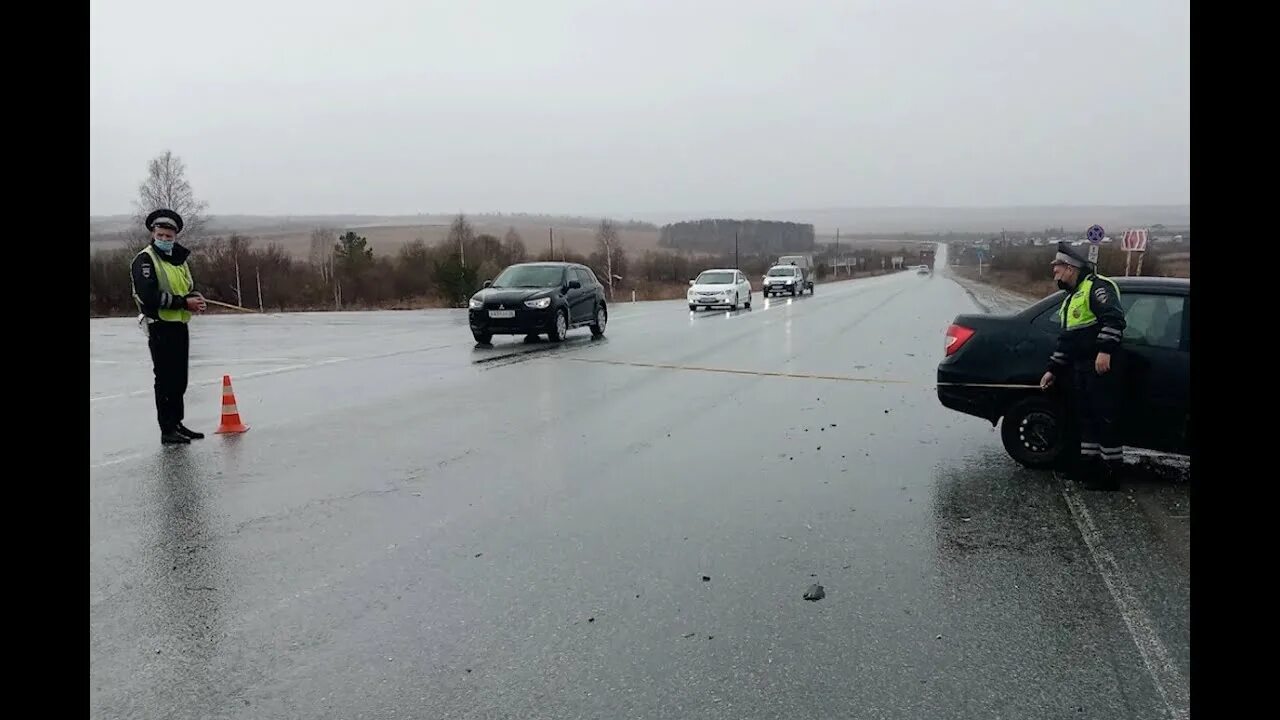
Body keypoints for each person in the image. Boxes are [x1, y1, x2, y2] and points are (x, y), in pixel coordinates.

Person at [1040, 242, 1127, 490]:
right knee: (1086, 419)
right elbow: (1067, 339)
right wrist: (1052, 369)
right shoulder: (1073, 297)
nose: (1054, 272)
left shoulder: (1097, 288)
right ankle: (1088, 469)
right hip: (1081, 367)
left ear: (1070, 268)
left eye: (1057, 267)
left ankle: (1109, 475)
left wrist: (1105, 351)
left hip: (1101, 366)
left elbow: (1114, 319)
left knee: (1105, 419)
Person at [130, 209, 208, 445]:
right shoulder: (145, 260)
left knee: (179, 379)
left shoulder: (178, 259)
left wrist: (196, 298)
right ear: (153, 234)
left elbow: (186, 286)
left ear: (175, 236)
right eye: (160, 235)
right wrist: (184, 302)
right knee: (165, 379)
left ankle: (177, 423)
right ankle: (167, 429)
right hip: (159, 325)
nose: (164, 239)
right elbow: (149, 296)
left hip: (179, 324)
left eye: (169, 236)